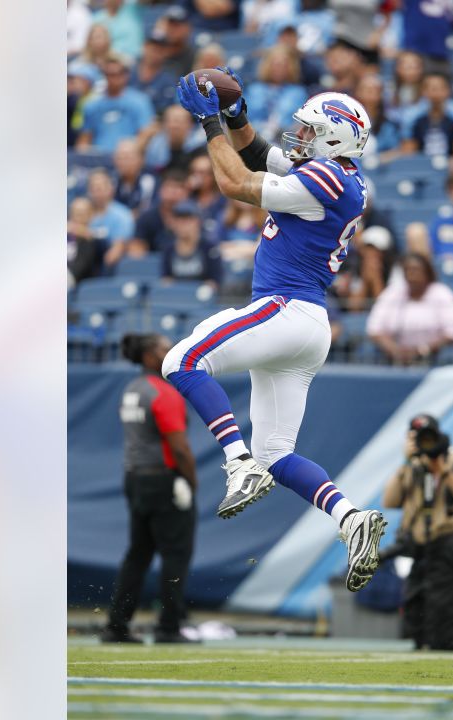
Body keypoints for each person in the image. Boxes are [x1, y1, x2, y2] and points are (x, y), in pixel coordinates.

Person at [162, 68, 387, 592]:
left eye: (310, 129)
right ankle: (351, 519)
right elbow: (260, 155)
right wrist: (236, 117)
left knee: (181, 361)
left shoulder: (325, 178)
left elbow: (234, 183)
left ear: (333, 137)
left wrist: (209, 121)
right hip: (308, 327)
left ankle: (236, 462)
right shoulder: (337, 175)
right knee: (278, 456)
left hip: (285, 308)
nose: (299, 136)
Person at [102, 333, 200, 645]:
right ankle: (169, 626)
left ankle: (116, 625)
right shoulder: (163, 392)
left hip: (134, 477)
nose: (170, 351)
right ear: (147, 357)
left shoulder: (131, 389)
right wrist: (191, 480)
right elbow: (179, 447)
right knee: (176, 554)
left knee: (138, 554)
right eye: (163, 348)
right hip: (164, 479)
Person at [382, 414, 453, 650]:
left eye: (428, 438)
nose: (423, 443)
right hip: (421, 555)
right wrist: (405, 463)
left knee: (449, 639)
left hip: (451, 556)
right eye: (415, 437)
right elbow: (389, 501)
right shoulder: (411, 465)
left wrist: (443, 472)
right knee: (419, 631)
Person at [366, 253, 453, 366]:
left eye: (415, 270)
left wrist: (422, 350)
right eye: (407, 270)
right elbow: (374, 328)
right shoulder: (394, 292)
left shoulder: (441, 293)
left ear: (427, 273)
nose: (411, 274)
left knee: (450, 356)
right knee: (367, 350)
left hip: (434, 353)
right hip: (396, 352)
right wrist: (394, 349)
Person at [75, 54, 156, 153]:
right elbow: (84, 139)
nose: (113, 78)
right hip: (98, 158)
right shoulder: (92, 105)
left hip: (128, 157)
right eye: (108, 74)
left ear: (126, 75)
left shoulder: (140, 101)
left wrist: (130, 152)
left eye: (117, 73)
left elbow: (146, 133)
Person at [397, 73, 453, 160]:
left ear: (448, 91)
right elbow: (408, 150)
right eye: (432, 89)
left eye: (440, 89)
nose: (436, 94)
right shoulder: (412, 116)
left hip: (452, 163)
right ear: (423, 92)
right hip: (419, 164)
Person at [244, 47, 310, 144]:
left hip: (285, 144)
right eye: (275, 63)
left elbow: (301, 125)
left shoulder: (299, 93)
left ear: (291, 67)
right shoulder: (253, 90)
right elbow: (244, 119)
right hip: (253, 142)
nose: (279, 67)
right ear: (267, 65)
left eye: (284, 64)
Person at [128, 167, 191, 258]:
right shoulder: (147, 217)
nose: (173, 191)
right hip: (153, 266)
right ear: (160, 190)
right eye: (169, 186)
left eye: (179, 187)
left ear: (187, 192)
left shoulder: (193, 216)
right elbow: (136, 249)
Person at [161, 201, 224, 287]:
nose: (182, 224)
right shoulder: (169, 249)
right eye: (179, 220)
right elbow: (166, 279)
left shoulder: (209, 248)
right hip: (176, 298)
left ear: (198, 222)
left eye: (188, 220)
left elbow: (215, 281)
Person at [140, 106, 206, 173]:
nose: (173, 125)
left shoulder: (199, 146)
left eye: (178, 121)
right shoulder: (156, 146)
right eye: (169, 121)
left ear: (190, 124)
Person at [132, 37, 178, 113]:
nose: (155, 53)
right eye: (152, 49)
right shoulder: (129, 71)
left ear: (165, 53)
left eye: (160, 50)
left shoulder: (169, 79)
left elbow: (167, 108)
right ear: (145, 47)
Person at [112, 139, 157, 216]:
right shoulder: (111, 181)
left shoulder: (149, 181)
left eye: (127, 158)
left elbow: (150, 208)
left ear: (141, 159)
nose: (122, 162)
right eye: (119, 158)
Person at [67, 197, 103, 284]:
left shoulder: (96, 237)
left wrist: (75, 229)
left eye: (83, 214)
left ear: (91, 215)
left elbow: (95, 238)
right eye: (76, 214)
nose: (79, 218)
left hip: (79, 282)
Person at [154, 7, 196, 77]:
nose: (172, 30)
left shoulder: (194, 56)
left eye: (176, 25)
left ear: (187, 29)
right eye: (169, 25)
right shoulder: (154, 51)